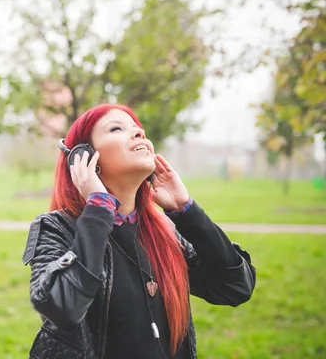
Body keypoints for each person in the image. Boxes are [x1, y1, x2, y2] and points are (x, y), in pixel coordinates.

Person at [22, 103, 256, 359]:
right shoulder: (57, 229)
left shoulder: (165, 233)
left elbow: (235, 287)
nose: (139, 134)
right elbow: (63, 307)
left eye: (138, 129)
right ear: (83, 157)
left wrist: (187, 211)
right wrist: (99, 207)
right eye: (116, 128)